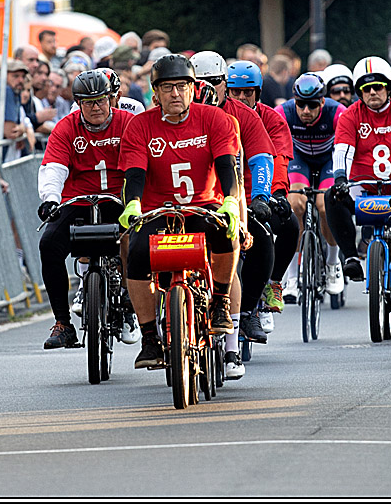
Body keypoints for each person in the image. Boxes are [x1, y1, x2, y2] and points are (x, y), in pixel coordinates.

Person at [117, 54, 242, 372]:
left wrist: (230, 201)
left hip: (203, 204)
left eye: (182, 86)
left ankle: (220, 301)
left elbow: (227, 166)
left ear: (193, 89)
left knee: (226, 233)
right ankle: (149, 337)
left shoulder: (215, 119)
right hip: (157, 211)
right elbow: (135, 174)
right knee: (135, 252)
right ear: (155, 93)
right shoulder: (140, 125)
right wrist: (133, 204)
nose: (175, 93)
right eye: (167, 87)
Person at [36, 70, 139, 349]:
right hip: (78, 201)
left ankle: (131, 299)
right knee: (48, 244)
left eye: (101, 100)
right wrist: (50, 199)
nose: (96, 107)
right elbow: (54, 167)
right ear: (78, 104)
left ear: (111, 98)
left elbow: (139, 165)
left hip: (119, 199)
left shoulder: (129, 123)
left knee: (138, 238)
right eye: (88, 102)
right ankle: (63, 323)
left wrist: (137, 199)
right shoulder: (66, 128)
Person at [191, 51, 276, 356]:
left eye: (214, 82)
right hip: (187, 201)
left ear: (225, 84)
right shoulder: (174, 114)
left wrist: (261, 196)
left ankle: (249, 310)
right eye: (198, 82)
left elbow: (261, 159)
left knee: (262, 238)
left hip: (233, 195)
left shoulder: (243, 115)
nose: (206, 89)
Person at [326, 56, 391, 282]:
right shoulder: (350, 115)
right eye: (366, 89)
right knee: (332, 196)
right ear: (359, 92)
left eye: (378, 87)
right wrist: (340, 179)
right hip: (364, 188)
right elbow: (343, 151)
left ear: (388, 87)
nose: (372, 93)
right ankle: (351, 257)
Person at [225, 59, 298, 334]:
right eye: (236, 92)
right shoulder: (219, 115)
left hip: (260, 192)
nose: (242, 98)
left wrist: (276, 194)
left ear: (257, 92)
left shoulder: (272, 118)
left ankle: (273, 283)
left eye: (248, 92)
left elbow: (278, 158)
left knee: (289, 224)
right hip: (227, 193)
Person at [276, 72, 346, 300]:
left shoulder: (337, 112)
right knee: (295, 204)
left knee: (325, 206)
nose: (306, 111)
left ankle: (333, 263)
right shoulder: (283, 113)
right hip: (299, 159)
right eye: (301, 104)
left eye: (312, 105)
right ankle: (292, 276)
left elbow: (346, 146)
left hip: (328, 160)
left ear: (322, 102)